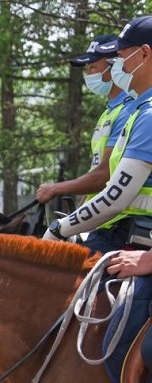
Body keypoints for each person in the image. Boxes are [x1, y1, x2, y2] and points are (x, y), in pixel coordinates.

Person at [43, 16, 152, 253]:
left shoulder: (148, 114)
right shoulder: (139, 111)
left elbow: (115, 195)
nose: (119, 67)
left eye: (121, 58)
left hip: (131, 235)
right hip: (118, 229)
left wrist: (58, 228)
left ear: (144, 54)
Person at [37, 34, 134, 210]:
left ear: (115, 64)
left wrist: (55, 188)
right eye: (87, 67)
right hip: (101, 216)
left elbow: (104, 176)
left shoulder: (129, 110)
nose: (88, 73)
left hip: (120, 223)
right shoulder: (109, 112)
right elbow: (95, 175)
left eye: (93, 66)